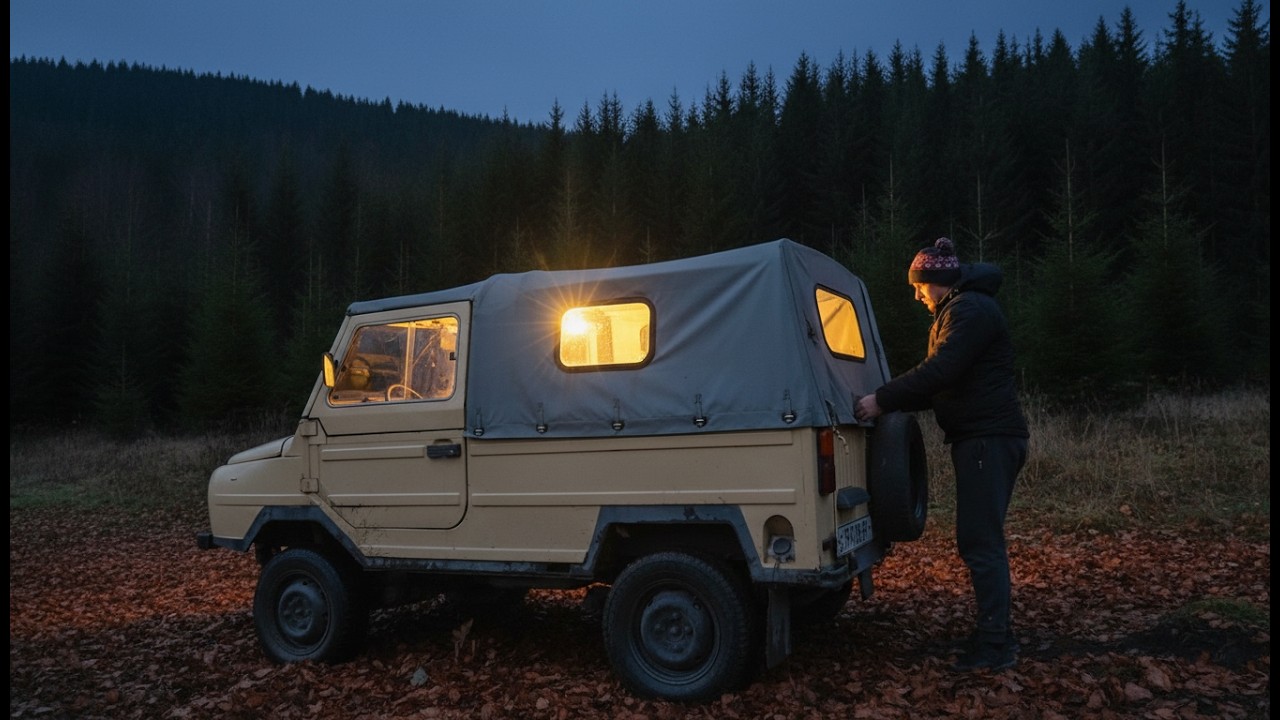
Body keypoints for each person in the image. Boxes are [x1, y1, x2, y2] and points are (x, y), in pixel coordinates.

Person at [854, 236, 1029, 672]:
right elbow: (942, 386)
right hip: (983, 437)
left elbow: (941, 371)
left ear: (939, 279)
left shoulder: (969, 310)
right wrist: (889, 403)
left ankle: (995, 646)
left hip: (988, 439)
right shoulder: (962, 308)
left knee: (980, 540)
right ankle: (993, 634)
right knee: (979, 538)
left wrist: (882, 399)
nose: (917, 296)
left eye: (919, 286)